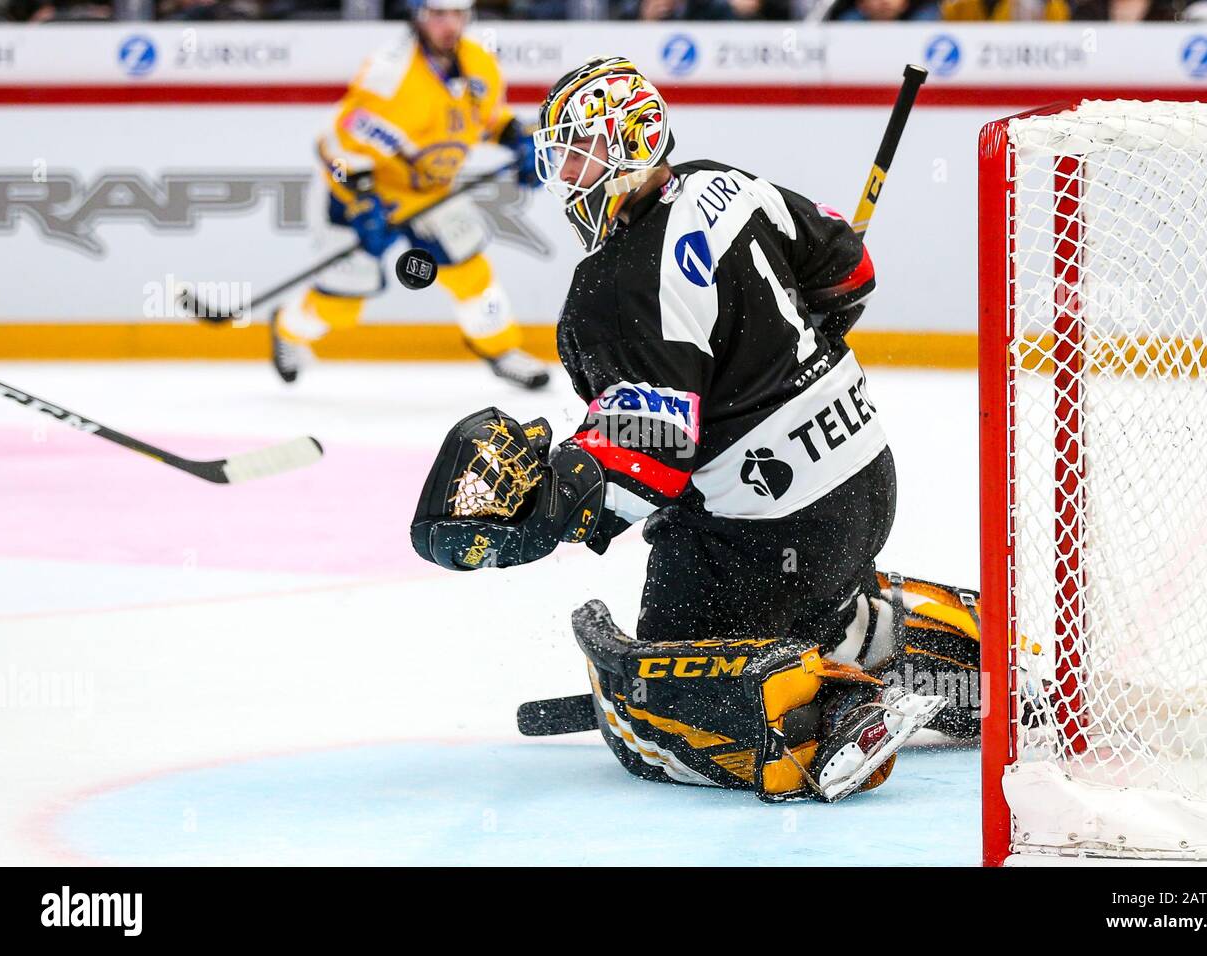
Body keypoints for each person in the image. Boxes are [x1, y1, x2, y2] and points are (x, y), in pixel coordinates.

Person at [410, 58, 978, 803]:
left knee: (650, 704)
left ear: (629, 143)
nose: (566, 173)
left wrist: (553, 505)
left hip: (770, 528)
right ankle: (914, 637)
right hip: (866, 481)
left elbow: (650, 461)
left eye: (579, 149)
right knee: (795, 600)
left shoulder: (611, 287)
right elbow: (851, 274)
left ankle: (829, 713)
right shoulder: (728, 183)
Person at [270, 0, 551, 390]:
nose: (449, 25)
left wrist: (518, 139)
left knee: (470, 271)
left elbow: (485, 120)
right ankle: (287, 328)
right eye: (439, 14)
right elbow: (333, 145)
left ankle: (501, 350)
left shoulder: (479, 63)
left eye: (457, 14)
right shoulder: (388, 74)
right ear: (419, 15)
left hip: (428, 191)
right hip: (362, 194)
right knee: (343, 300)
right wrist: (362, 201)